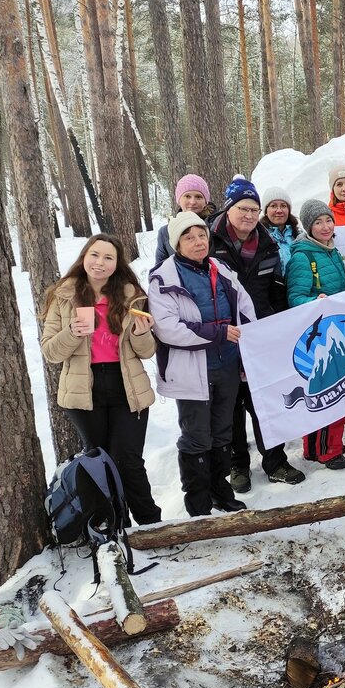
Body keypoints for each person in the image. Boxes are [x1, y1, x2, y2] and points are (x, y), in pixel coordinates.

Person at [41, 234, 162, 525]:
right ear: (84, 257)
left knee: (129, 460)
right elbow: (50, 352)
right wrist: (72, 331)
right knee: (99, 463)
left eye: (109, 257)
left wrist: (141, 333)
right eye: (95, 255)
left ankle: (152, 524)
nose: (100, 263)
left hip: (127, 385)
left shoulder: (131, 295)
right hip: (85, 389)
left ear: (117, 263)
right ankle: (115, 528)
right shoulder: (63, 296)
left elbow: (146, 352)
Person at [150, 213, 256, 516]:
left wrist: (249, 338)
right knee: (196, 434)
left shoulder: (220, 268)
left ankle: (220, 489)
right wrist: (218, 332)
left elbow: (244, 306)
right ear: (176, 244)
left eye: (201, 235)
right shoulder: (163, 277)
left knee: (223, 431)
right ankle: (197, 500)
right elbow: (167, 327)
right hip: (191, 369)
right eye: (189, 237)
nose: (198, 242)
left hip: (227, 364)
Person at [209, 175, 303, 492]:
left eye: (253, 209)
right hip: (224, 338)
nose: (249, 215)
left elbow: (276, 290)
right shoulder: (209, 241)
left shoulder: (267, 244)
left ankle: (275, 460)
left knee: (264, 401)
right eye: (243, 208)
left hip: (260, 335)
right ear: (229, 208)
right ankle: (238, 465)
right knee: (231, 404)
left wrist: (276, 324)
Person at [287, 199, 345, 470]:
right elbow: (295, 296)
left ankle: (314, 447)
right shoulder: (303, 256)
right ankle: (329, 450)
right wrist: (315, 301)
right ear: (308, 227)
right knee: (332, 392)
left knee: (329, 389)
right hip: (319, 332)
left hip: (333, 326)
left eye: (328, 220)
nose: (325, 227)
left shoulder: (331, 251)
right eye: (318, 222)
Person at [155, 173, 215, 268]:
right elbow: (159, 270)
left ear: (205, 201)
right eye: (187, 196)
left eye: (198, 197)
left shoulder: (216, 227)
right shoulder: (165, 232)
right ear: (179, 200)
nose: (193, 202)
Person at [261, 186, 300, 272]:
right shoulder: (260, 237)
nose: (279, 210)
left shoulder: (299, 236)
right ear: (266, 211)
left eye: (283, 206)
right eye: (273, 206)